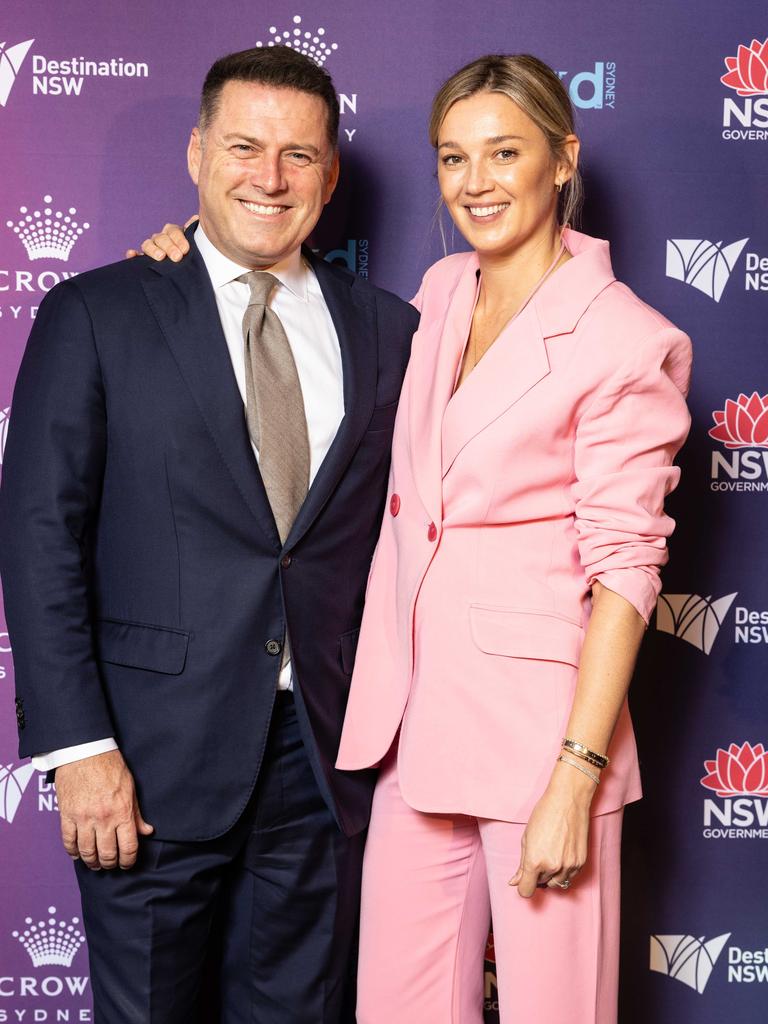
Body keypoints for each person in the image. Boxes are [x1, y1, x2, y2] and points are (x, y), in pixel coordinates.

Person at [0, 45, 418, 1024]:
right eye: (243, 145)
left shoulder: (393, 334)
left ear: (331, 174)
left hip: (322, 763)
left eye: (298, 155)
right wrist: (79, 748)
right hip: (146, 763)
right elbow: (39, 535)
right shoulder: (97, 312)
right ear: (196, 153)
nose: (268, 177)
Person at [333, 54, 692, 1023]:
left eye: (504, 152)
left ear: (562, 158)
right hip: (411, 730)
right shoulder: (442, 290)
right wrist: (190, 258)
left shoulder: (623, 338)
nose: (476, 182)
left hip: (541, 741)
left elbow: (627, 570)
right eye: (454, 158)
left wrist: (576, 777)